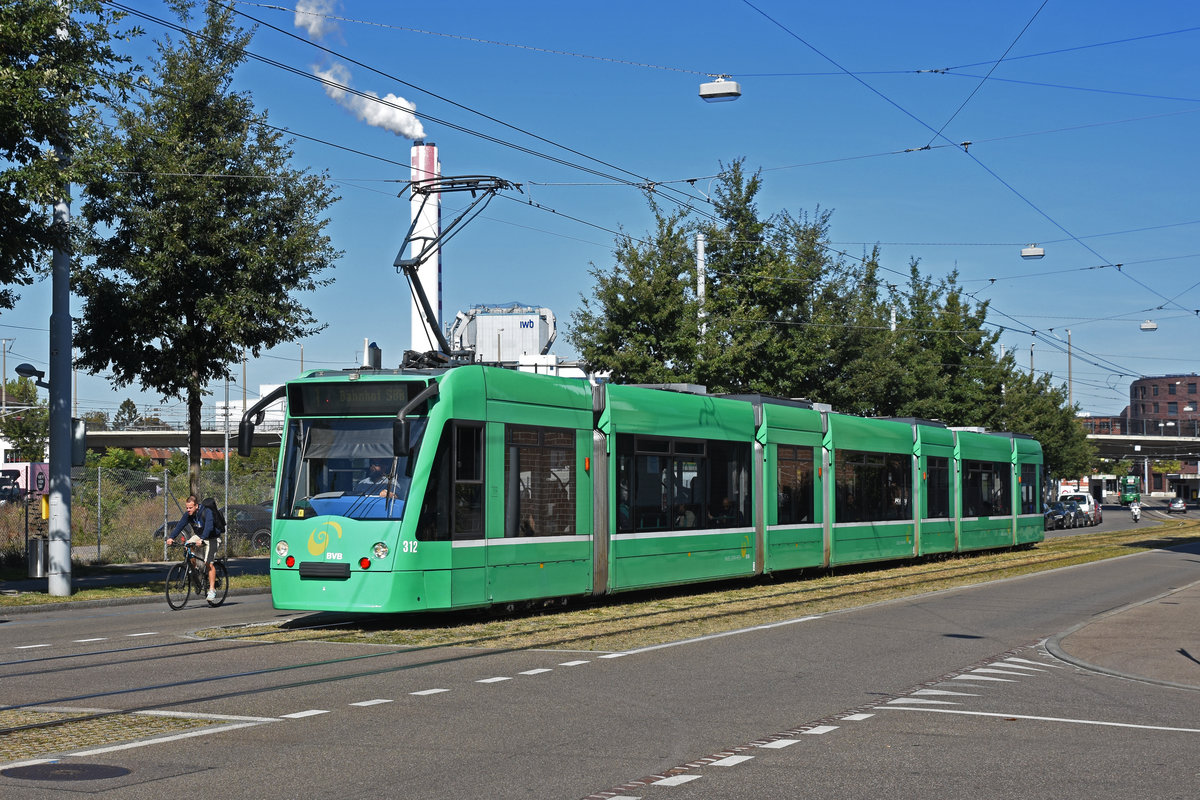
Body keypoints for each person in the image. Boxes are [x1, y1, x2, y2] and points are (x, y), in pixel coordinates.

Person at [167, 495, 219, 602]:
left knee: (208, 563)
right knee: (187, 545)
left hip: (212, 537)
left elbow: (209, 526)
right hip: (200, 536)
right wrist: (171, 537)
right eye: (187, 508)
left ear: (196, 506)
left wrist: (203, 539)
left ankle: (212, 590)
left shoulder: (206, 512)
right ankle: (194, 570)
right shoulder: (188, 515)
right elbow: (180, 525)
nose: (188, 510)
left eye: (190, 508)